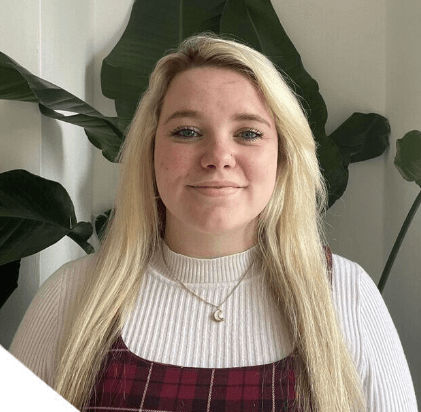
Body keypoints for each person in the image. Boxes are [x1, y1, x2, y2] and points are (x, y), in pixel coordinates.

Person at [9, 35, 417, 412]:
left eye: (249, 133)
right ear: (150, 152)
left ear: (283, 157)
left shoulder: (347, 295)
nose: (218, 155)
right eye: (187, 131)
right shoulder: (71, 297)